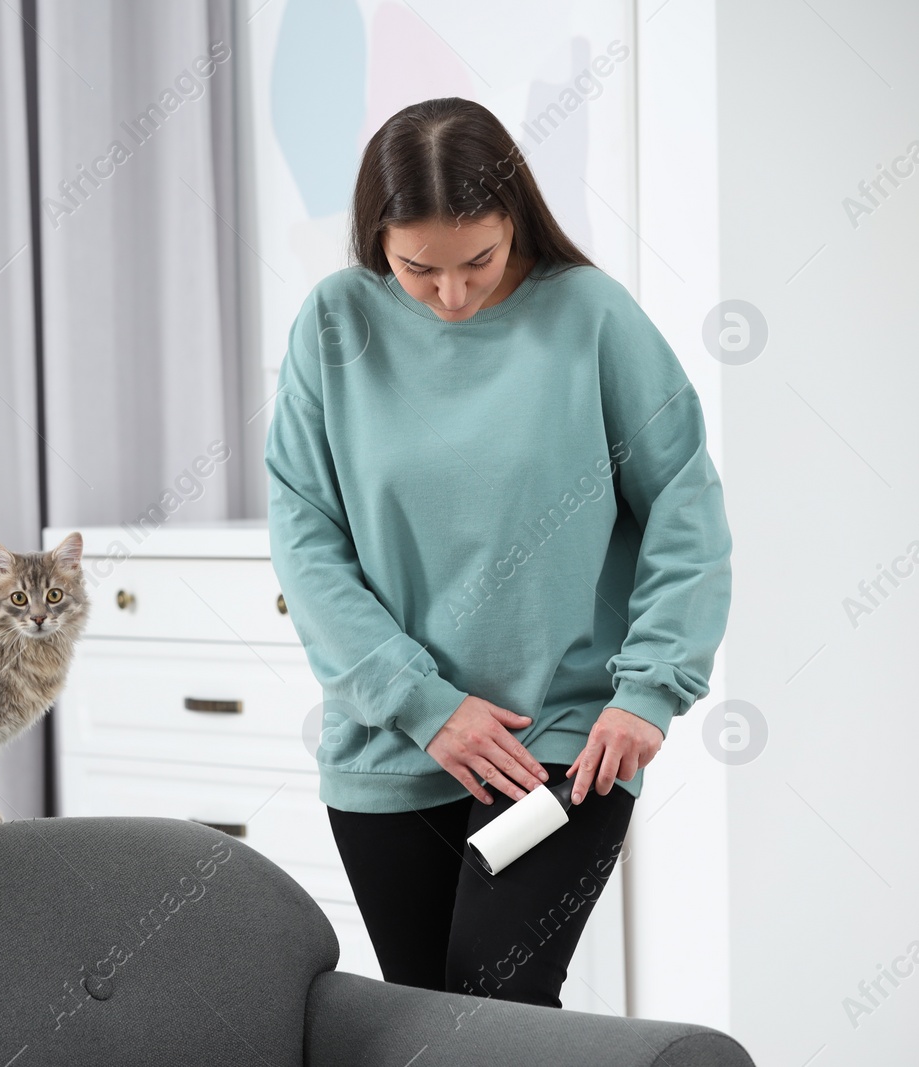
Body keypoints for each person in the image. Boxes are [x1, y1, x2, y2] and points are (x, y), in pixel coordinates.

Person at [264, 97, 733, 1009]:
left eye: (478, 259)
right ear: (375, 240)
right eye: (418, 269)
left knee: (500, 1002)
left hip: (559, 733)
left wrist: (651, 687)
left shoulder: (588, 314)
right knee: (426, 1016)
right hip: (393, 735)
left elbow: (685, 497)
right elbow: (305, 534)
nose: (453, 295)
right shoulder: (334, 323)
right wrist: (422, 704)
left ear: (516, 219)